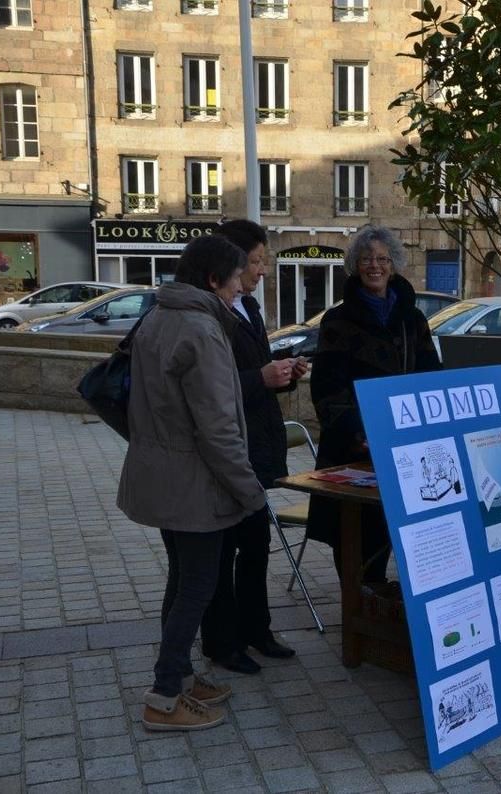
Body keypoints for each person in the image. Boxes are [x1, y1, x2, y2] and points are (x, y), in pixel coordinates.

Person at [118, 235, 266, 731]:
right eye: (236, 277)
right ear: (212, 279)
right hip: (195, 482)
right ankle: (163, 697)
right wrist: (249, 491)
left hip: (165, 475)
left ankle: (179, 677)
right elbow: (218, 427)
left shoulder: (159, 315)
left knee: (183, 580)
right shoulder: (201, 330)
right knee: (198, 584)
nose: (240, 286)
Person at [200, 220, 309, 675]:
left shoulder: (249, 307)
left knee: (257, 543)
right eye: (259, 260)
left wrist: (283, 373)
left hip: (256, 445)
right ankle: (222, 642)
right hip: (226, 451)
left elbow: (255, 373)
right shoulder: (211, 314)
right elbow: (209, 388)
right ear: (234, 263)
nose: (263, 270)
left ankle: (256, 629)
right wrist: (260, 378)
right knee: (224, 551)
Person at [305, 225, 441, 585]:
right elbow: (327, 388)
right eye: (367, 259)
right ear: (355, 266)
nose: (375, 266)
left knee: (392, 523)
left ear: (394, 264)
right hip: (353, 444)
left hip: (403, 442)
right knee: (351, 530)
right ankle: (356, 601)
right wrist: (355, 431)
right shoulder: (338, 320)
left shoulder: (413, 319)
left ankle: (377, 596)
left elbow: (431, 375)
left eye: (382, 259)